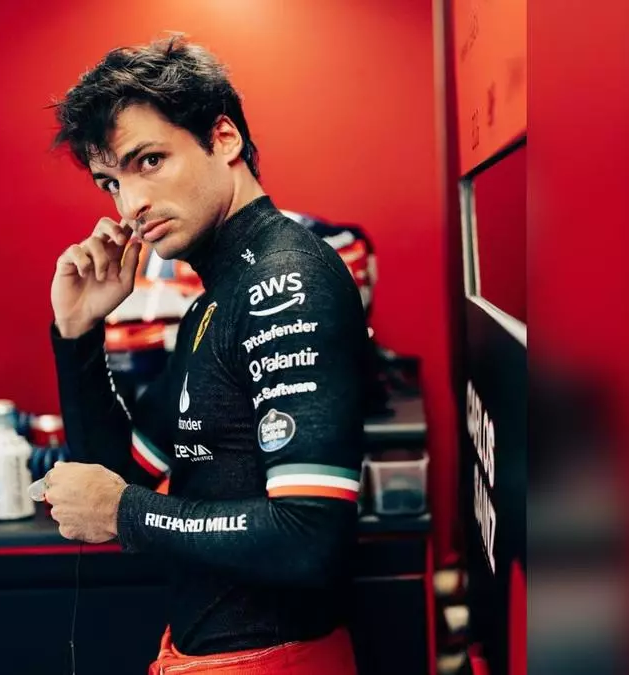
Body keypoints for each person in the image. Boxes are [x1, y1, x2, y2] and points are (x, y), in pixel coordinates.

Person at [42, 36, 368, 674]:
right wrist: (78, 333)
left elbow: (311, 537)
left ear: (224, 139)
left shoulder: (286, 279)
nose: (130, 205)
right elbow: (121, 471)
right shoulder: (215, 299)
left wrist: (126, 513)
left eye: (149, 161)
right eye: (111, 182)